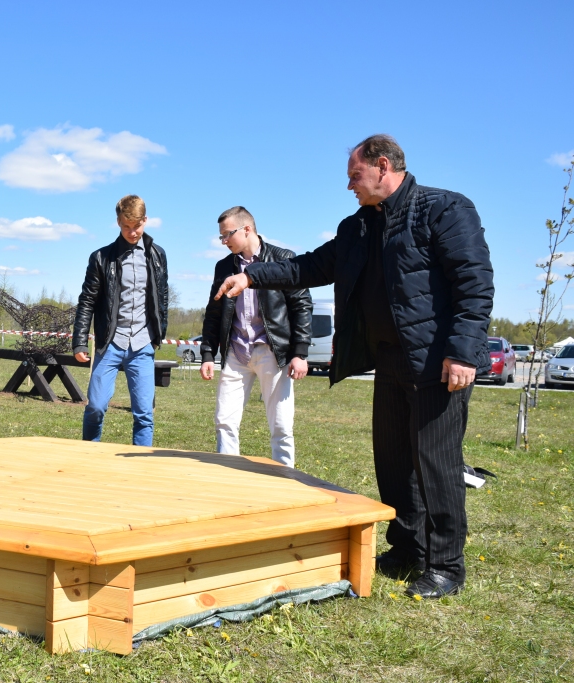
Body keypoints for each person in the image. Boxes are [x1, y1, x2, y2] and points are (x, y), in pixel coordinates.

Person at [215, 135, 494, 599]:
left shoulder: (445, 210)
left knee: (436, 463)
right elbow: (308, 267)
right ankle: (406, 549)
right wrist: (251, 275)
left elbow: (474, 282)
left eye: (354, 175)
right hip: (389, 361)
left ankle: (446, 564)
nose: (349, 186)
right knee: (393, 460)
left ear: (382, 166)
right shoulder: (359, 227)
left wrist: (463, 351)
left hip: (437, 364)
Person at [200, 207, 312, 467]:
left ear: (247, 229)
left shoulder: (282, 259)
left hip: (272, 352)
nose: (224, 241)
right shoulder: (224, 267)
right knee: (224, 420)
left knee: (281, 423)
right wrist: (207, 353)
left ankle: (285, 478)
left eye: (227, 235)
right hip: (236, 352)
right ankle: (229, 477)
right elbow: (214, 312)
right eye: (221, 237)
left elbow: (301, 306)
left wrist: (300, 353)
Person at [73, 195, 168, 446]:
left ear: (145, 221)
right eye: (126, 226)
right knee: (95, 406)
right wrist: (79, 342)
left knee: (144, 414)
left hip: (143, 344)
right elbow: (87, 302)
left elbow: (163, 296)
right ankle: (88, 455)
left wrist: (159, 333)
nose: (132, 232)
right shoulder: (101, 258)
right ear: (118, 222)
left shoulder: (158, 255)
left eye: (136, 226)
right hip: (110, 343)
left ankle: (140, 467)